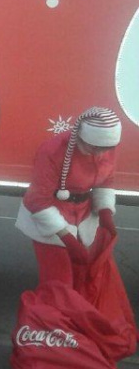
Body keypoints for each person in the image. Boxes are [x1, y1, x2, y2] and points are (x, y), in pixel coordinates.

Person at [15, 107, 121, 286]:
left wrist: (105, 213)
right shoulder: (53, 151)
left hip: (84, 215)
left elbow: (106, 181)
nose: (100, 154)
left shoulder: (104, 148)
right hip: (51, 216)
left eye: (105, 149)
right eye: (94, 148)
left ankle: (78, 313)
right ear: (81, 136)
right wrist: (67, 238)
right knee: (60, 282)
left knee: (87, 279)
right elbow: (37, 200)